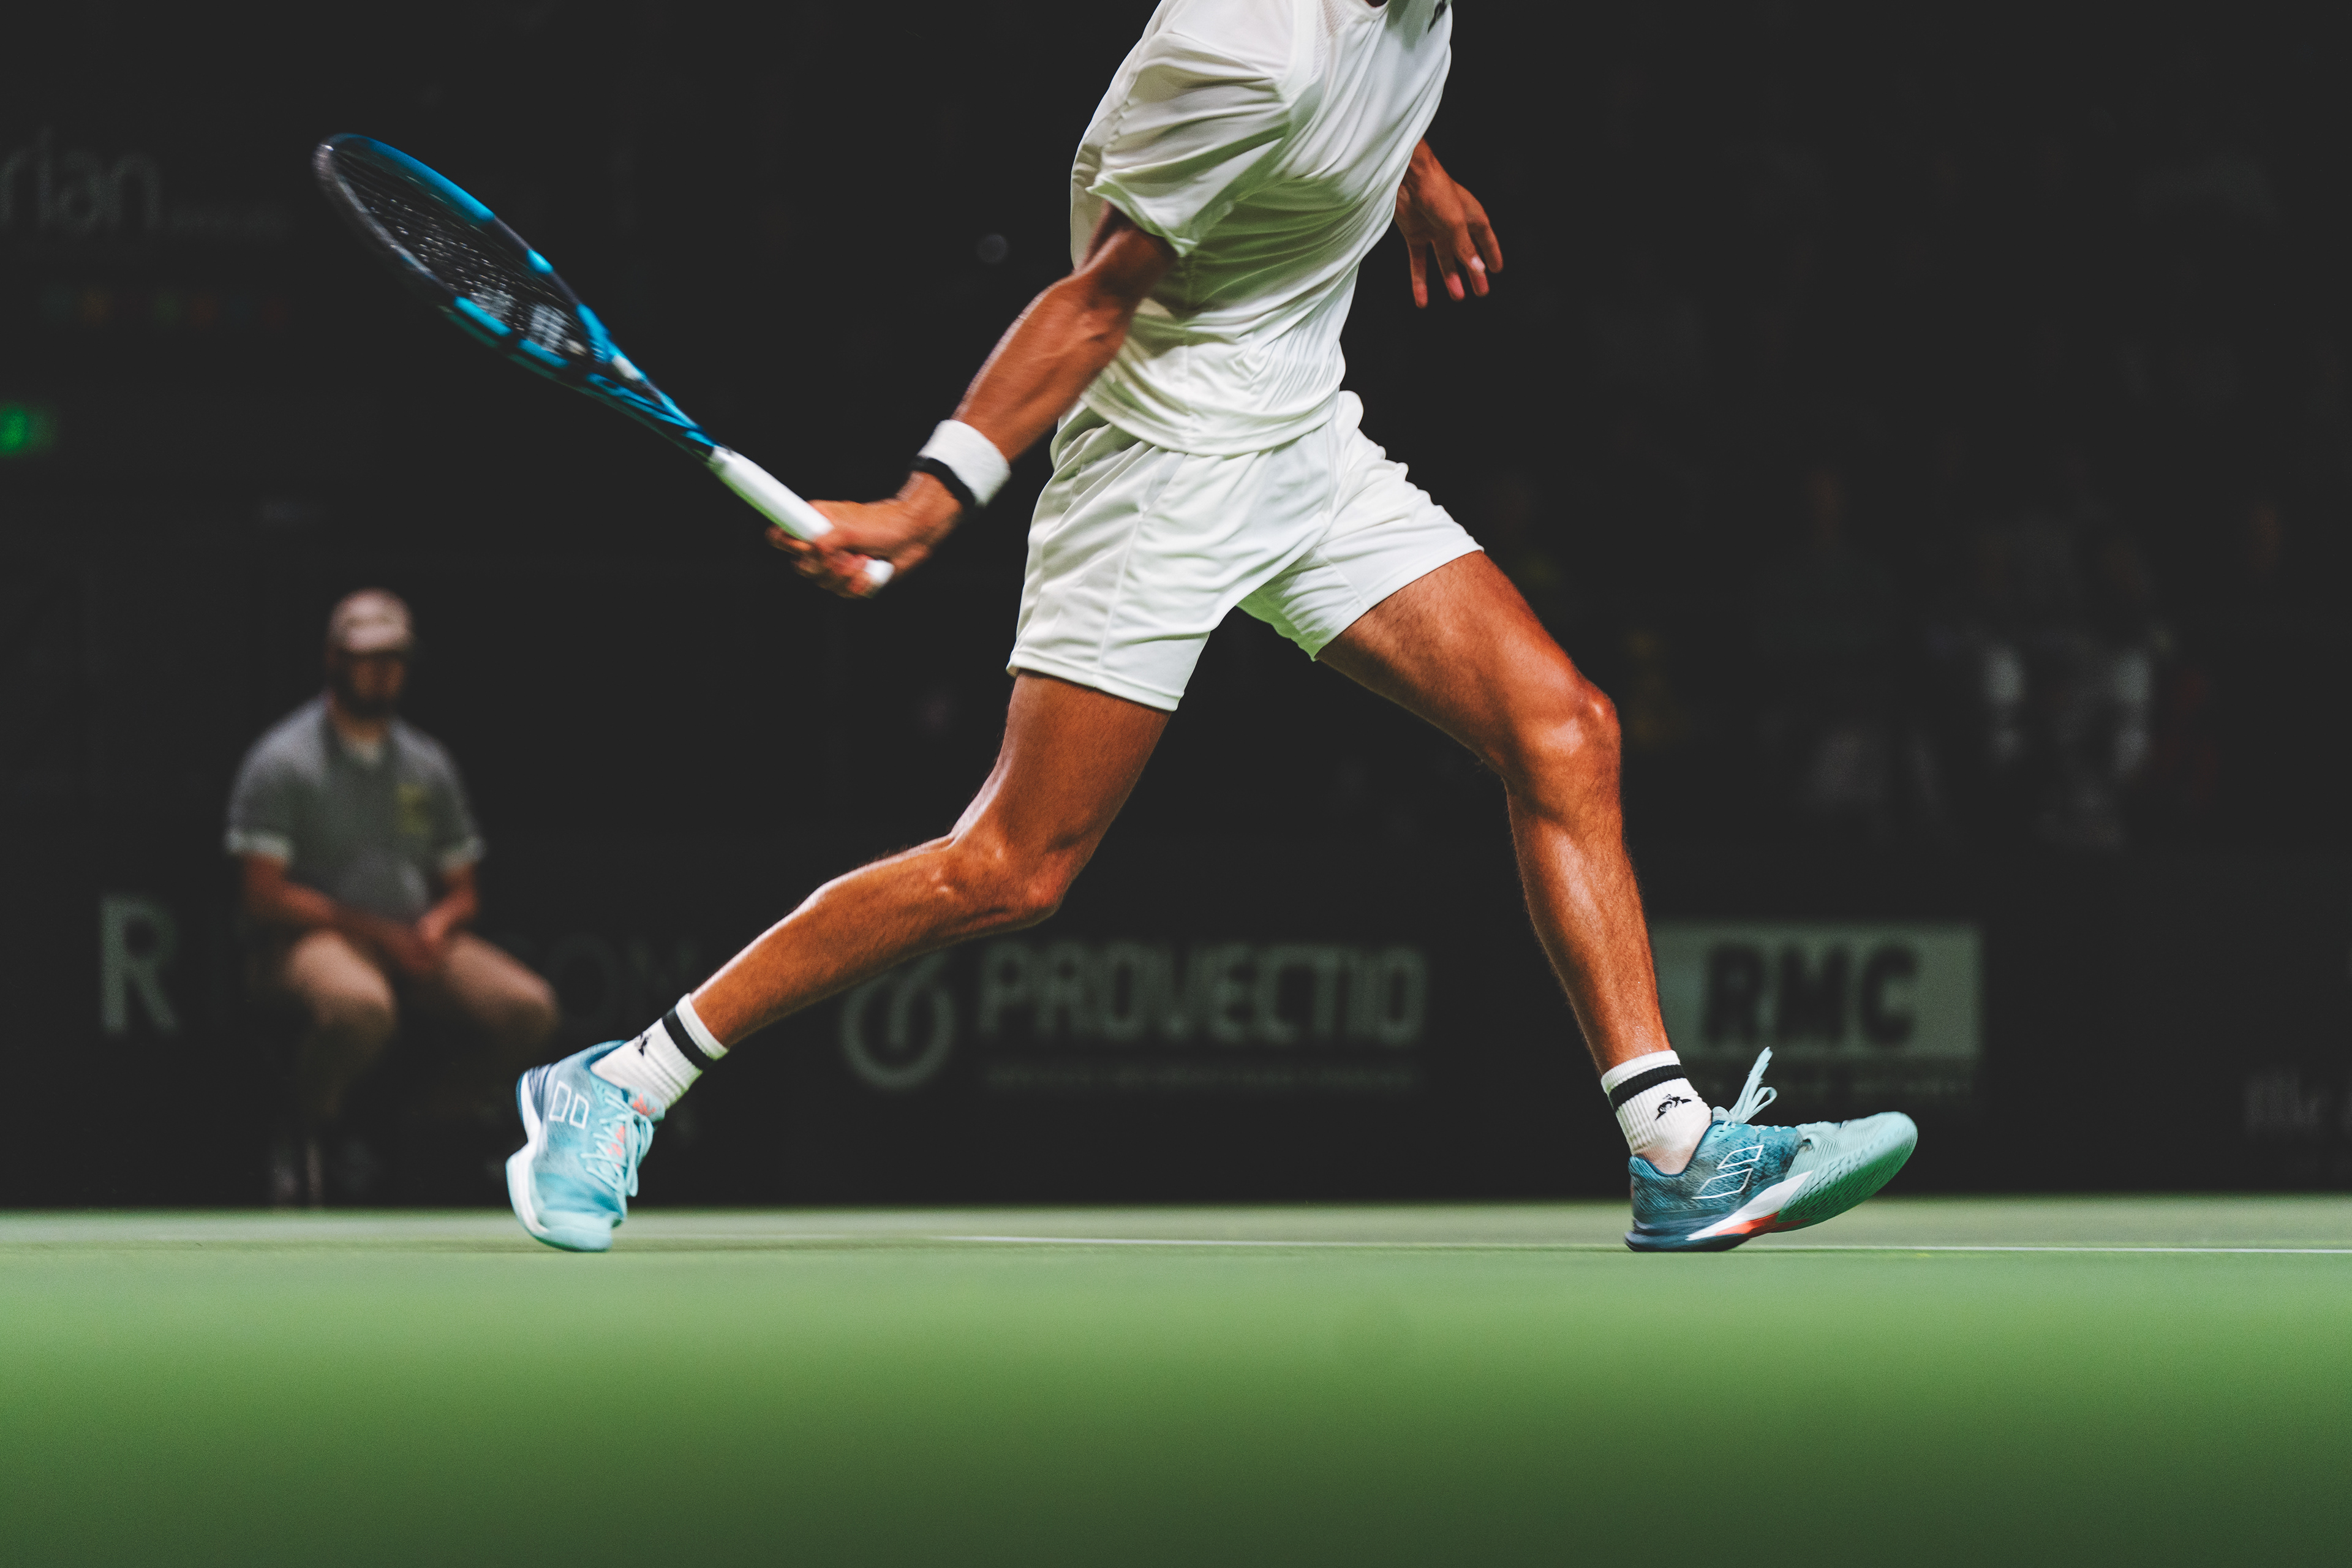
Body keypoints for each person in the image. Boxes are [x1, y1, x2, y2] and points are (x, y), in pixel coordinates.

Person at [507, 0, 1915, 1252]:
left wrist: (1413, 172)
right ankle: (623, 1077)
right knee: (1010, 869)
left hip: (1304, 439)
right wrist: (925, 502)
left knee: (1564, 728)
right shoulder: (1242, 46)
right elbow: (1093, 300)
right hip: (1160, 470)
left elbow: (1365, 88)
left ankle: (1673, 1151)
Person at [228, 589, 557, 1204]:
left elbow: (464, 890)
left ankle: (430, 1130)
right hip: (313, 939)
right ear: (335, 659)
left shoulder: (427, 764)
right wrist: (377, 933)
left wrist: (437, 925)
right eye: (368, 657)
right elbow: (262, 895)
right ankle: (304, 1132)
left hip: (414, 937)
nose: (383, 671)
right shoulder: (283, 760)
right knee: (360, 1006)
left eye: (395, 658)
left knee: (527, 1007)